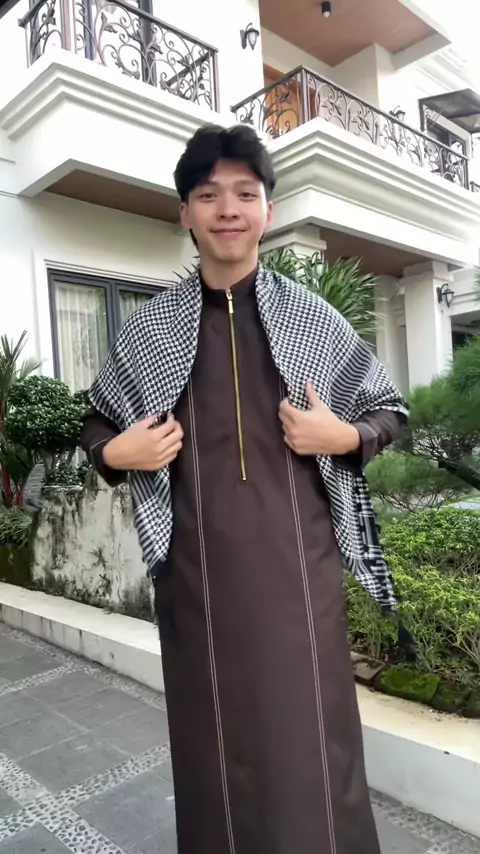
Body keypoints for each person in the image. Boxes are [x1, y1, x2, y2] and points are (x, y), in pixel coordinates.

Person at [81, 124, 408, 854]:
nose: (227, 209)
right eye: (208, 195)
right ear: (184, 213)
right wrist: (118, 452)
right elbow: (96, 421)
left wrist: (344, 437)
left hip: (302, 583)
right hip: (195, 586)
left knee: (314, 759)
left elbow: (389, 408)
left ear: (267, 208)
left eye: (244, 193)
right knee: (215, 765)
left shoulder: (313, 320)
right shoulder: (149, 330)